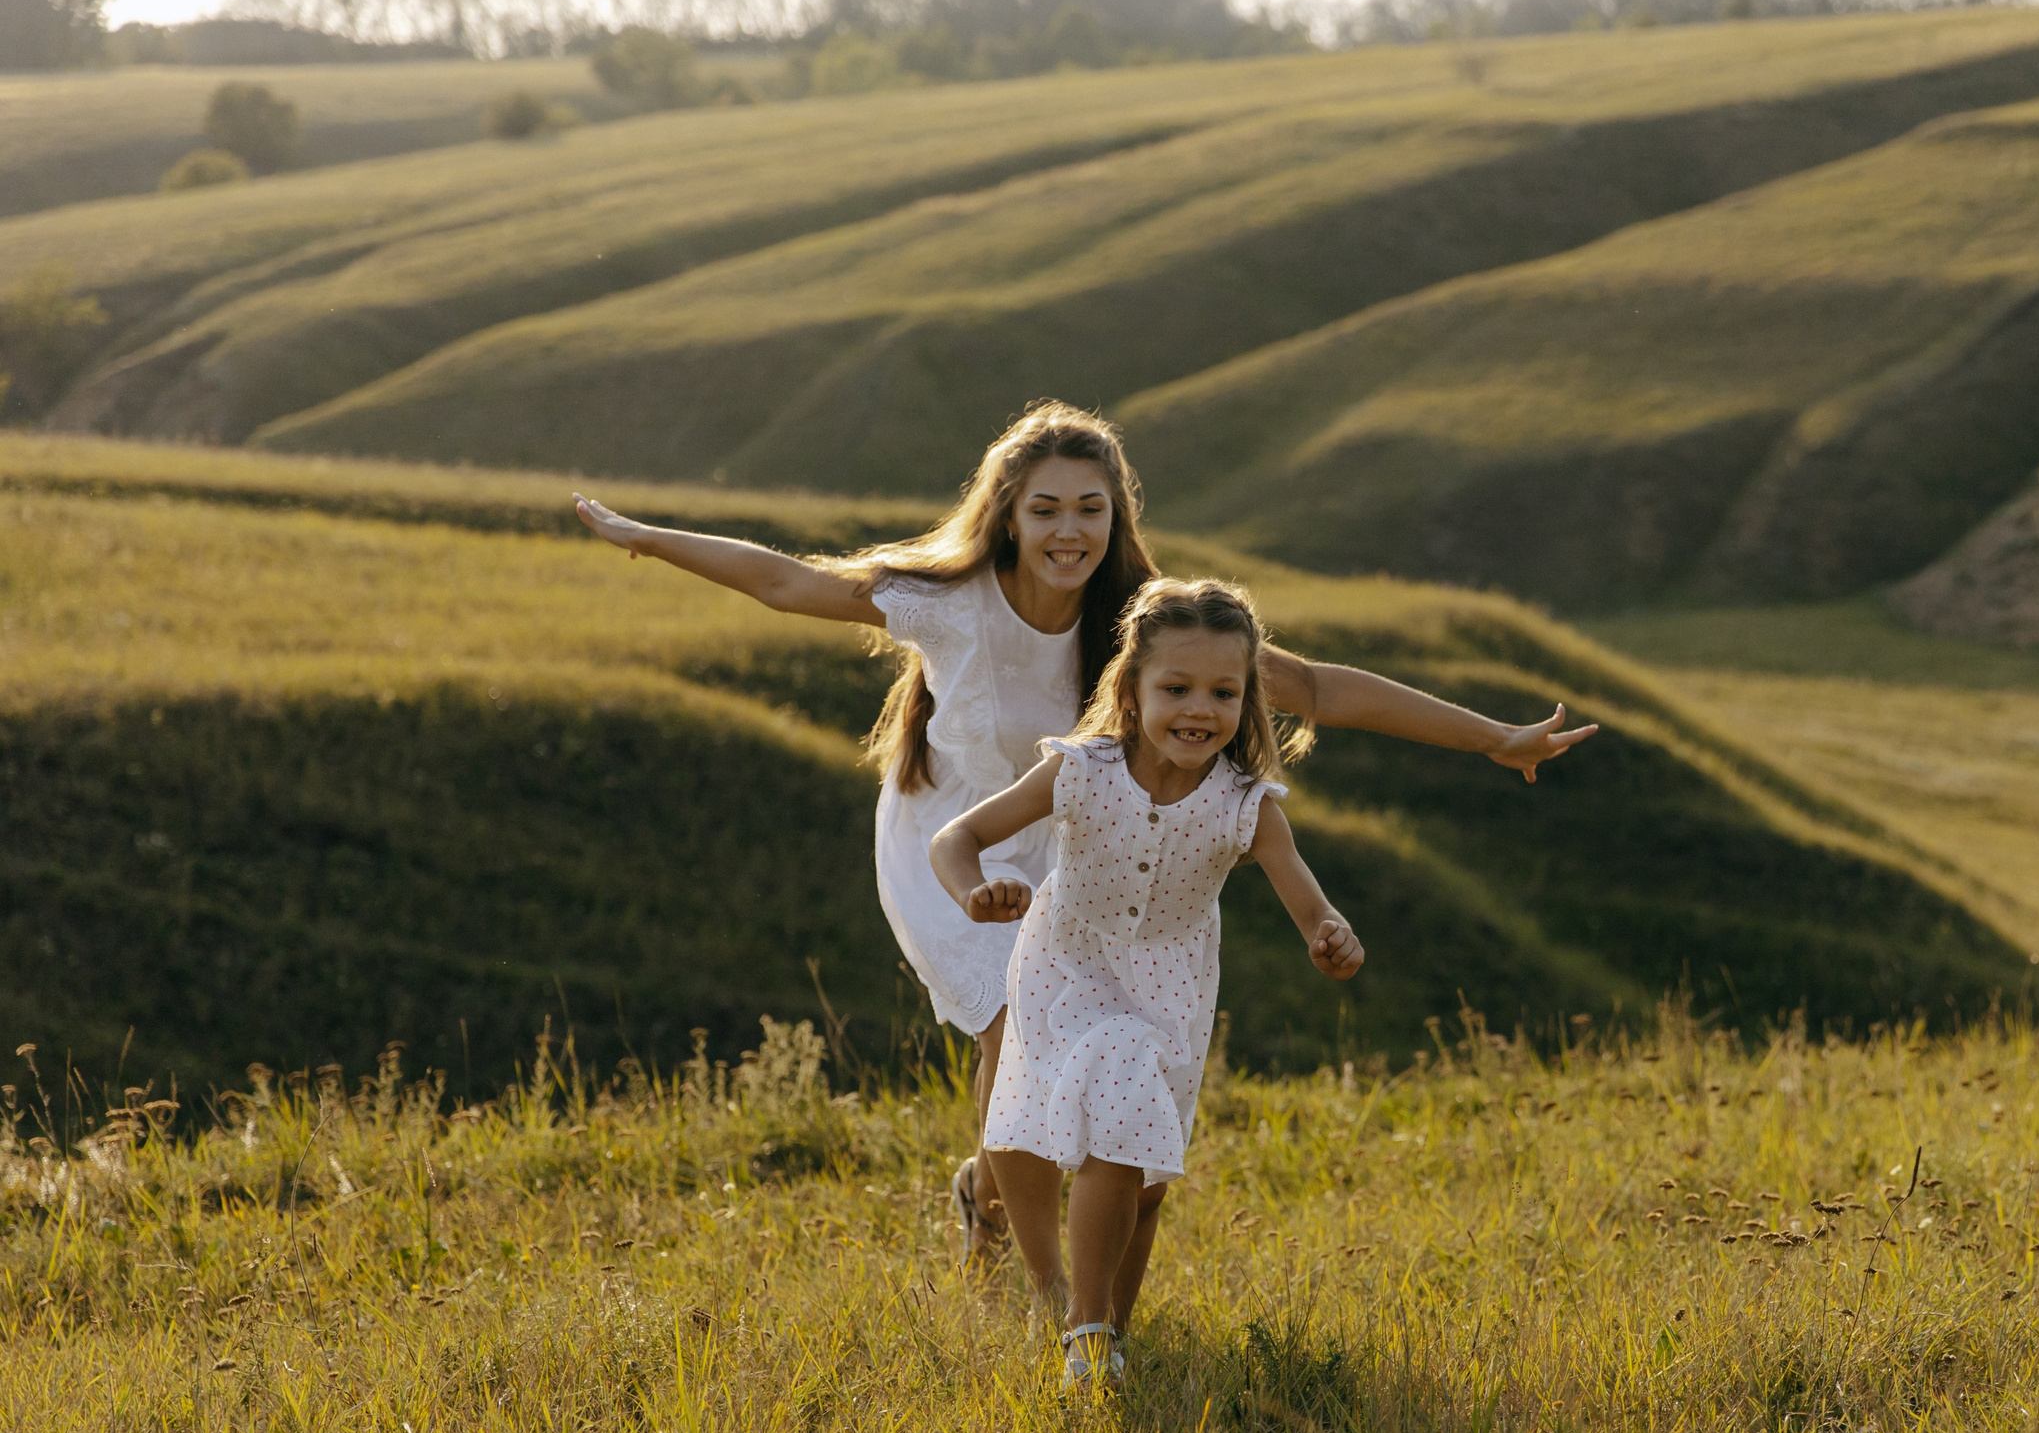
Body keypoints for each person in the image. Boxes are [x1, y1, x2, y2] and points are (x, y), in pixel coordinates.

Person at [569, 401, 1595, 1277]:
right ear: (1007, 514)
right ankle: (1045, 1286)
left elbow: (1318, 690)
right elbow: (789, 581)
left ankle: (986, 1187)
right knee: (1014, 1021)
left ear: (1118, 518)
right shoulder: (947, 600)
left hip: (1069, 848)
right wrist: (644, 537)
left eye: (1090, 510)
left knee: (1056, 1041)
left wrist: (1493, 738)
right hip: (947, 835)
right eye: (1047, 508)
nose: (1070, 530)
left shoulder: (1136, 624)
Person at [931, 578, 1350, 1385]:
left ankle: (1110, 1330)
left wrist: (1332, 935)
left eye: (1223, 692)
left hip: (1170, 989)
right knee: (1065, 1123)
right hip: (1065, 966)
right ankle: (1083, 1332)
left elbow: (1307, 897)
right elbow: (960, 836)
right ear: (1130, 691)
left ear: (1248, 701)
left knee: (1143, 1184)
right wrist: (973, 892)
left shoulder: (1246, 805)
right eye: (1176, 687)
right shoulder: (1079, 772)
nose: (1200, 708)